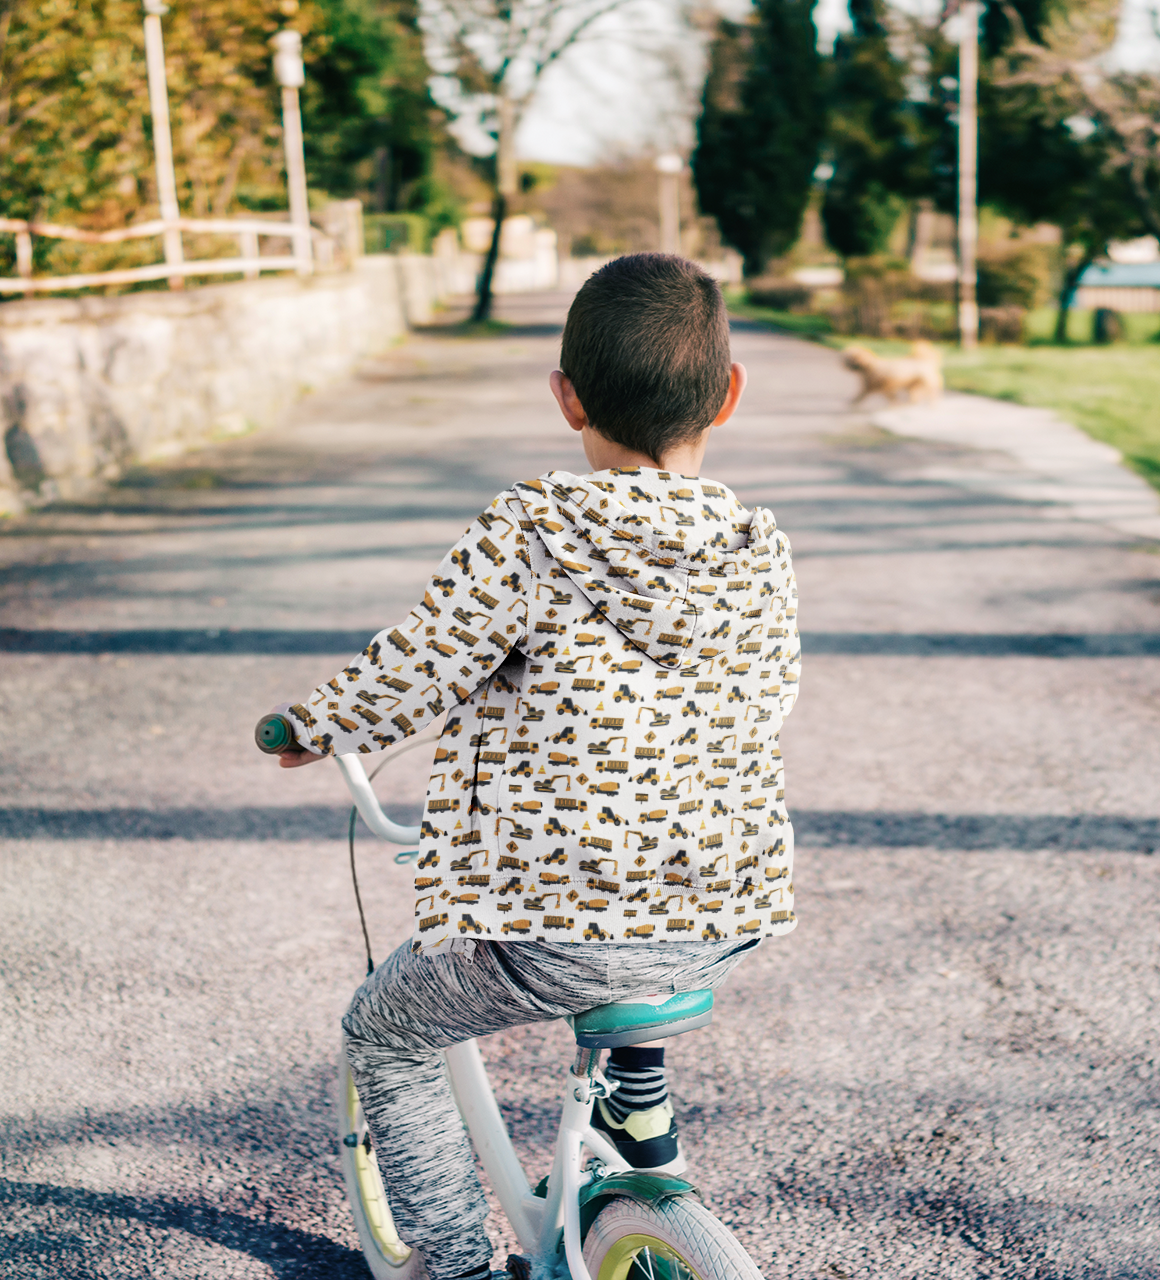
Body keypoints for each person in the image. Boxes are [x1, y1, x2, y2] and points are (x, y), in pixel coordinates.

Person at [269, 253, 802, 1280]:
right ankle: (637, 1101)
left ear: (565, 398)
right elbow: (770, 695)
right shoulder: (754, 542)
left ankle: (456, 1264)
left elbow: (420, 664)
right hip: (721, 917)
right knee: (643, 923)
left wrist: (311, 726)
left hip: (562, 930)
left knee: (384, 1031)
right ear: (728, 396)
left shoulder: (532, 528)